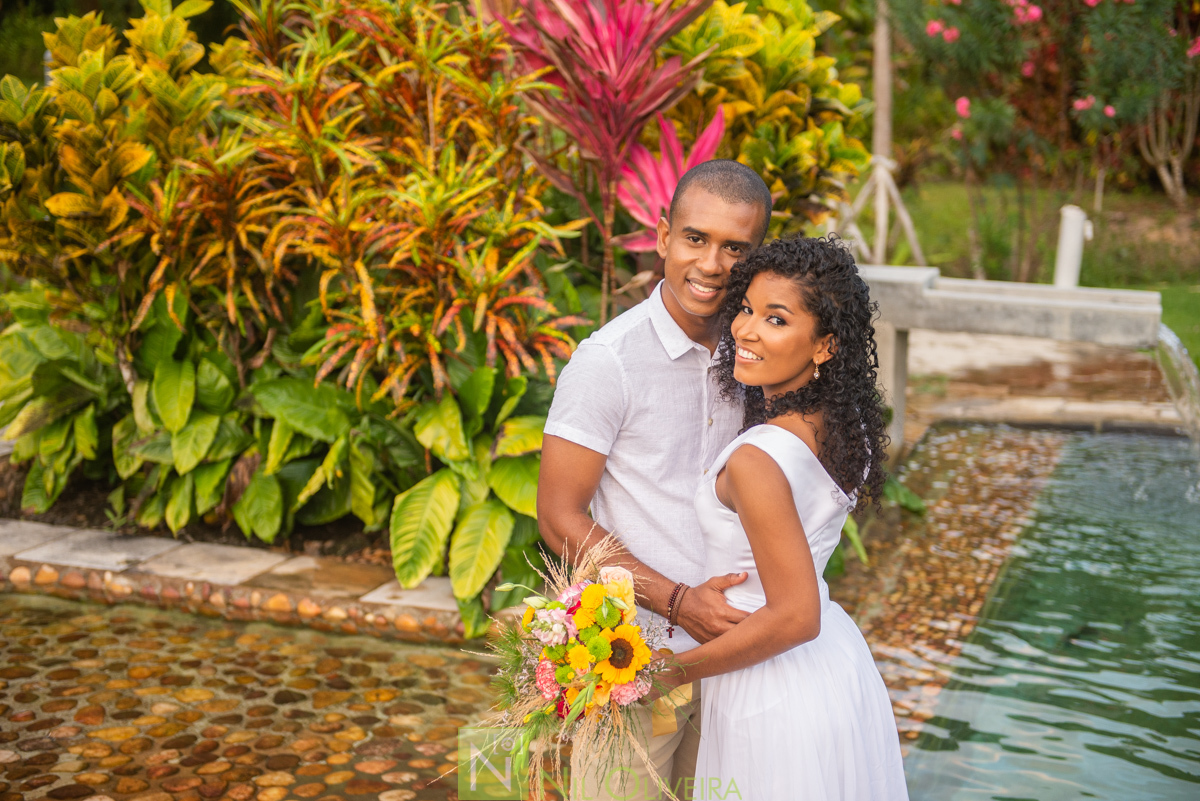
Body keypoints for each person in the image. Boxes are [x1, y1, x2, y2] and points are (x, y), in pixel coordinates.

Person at [538, 160, 774, 800]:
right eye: (695, 238)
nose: (711, 264)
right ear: (664, 234)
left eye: (735, 247)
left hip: (739, 659)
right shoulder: (608, 362)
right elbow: (559, 517)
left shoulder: (759, 355)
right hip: (634, 661)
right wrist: (676, 601)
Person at [650, 236, 909, 800]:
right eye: (746, 309)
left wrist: (668, 673)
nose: (744, 330)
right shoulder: (847, 431)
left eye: (775, 319)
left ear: (823, 347)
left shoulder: (758, 459)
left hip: (764, 680)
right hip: (831, 667)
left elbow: (795, 615)